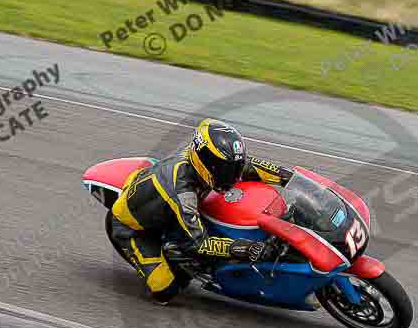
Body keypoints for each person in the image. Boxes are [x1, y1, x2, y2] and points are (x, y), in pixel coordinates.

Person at [110, 118, 294, 303]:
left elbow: (249, 166)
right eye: (224, 168)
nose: (232, 175)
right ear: (204, 162)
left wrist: (287, 177)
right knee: (166, 289)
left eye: (233, 167)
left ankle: (178, 241)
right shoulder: (182, 193)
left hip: (166, 207)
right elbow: (200, 244)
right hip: (132, 228)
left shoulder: (209, 164)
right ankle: (173, 252)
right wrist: (243, 248)